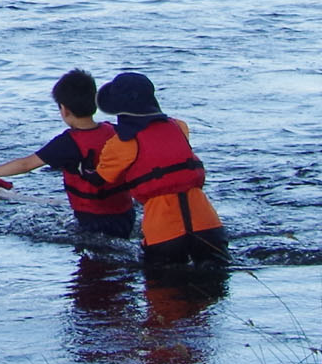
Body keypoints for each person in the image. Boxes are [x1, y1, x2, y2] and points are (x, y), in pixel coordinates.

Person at [93, 72, 229, 270]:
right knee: (215, 289)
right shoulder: (179, 126)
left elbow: (102, 179)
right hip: (209, 227)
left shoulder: (122, 142)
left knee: (164, 296)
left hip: (164, 234)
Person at [0, 68, 136, 240]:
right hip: (126, 214)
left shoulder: (68, 143)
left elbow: (25, 165)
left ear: (64, 110)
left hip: (93, 220)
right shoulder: (115, 131)